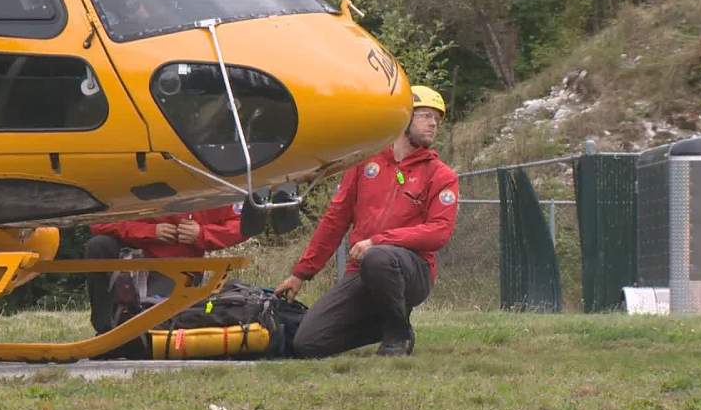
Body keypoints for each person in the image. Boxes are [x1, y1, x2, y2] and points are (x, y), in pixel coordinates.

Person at [275, 85, 459, 357]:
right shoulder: (364, 163)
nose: (433, 124)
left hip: (412, 271)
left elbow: (439, 232)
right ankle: (388, 323)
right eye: (425, 115)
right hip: (361, 269)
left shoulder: (441, 175)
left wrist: (377, 241)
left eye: (437, 119)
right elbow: (335, 220)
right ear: (402, 117)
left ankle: (397, 335)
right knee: (308, 343)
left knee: (378, 257)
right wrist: (300, 273)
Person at [85, 205, 249, 333]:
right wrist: (150, 231)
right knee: (98, 245)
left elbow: (244, 226)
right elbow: (98, 222)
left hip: (179, 268)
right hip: (131, 260)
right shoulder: (133, 180)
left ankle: (133, 335)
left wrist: (201, 233)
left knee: (155, 323)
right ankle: (105, 329)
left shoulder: (207, 186)